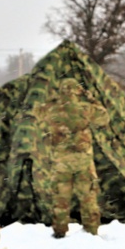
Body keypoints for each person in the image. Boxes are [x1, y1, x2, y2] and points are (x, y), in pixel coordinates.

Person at [32, 78, 110, 238]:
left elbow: (37, 112)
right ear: (77, 91)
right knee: (88, 198)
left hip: (61, 163)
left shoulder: (52, 110)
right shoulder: (86, 108)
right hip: (84, 163)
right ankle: (91, 231)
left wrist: (53, 99)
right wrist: (90, 98)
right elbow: (104, 117)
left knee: (61, 200)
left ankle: (59, 232)